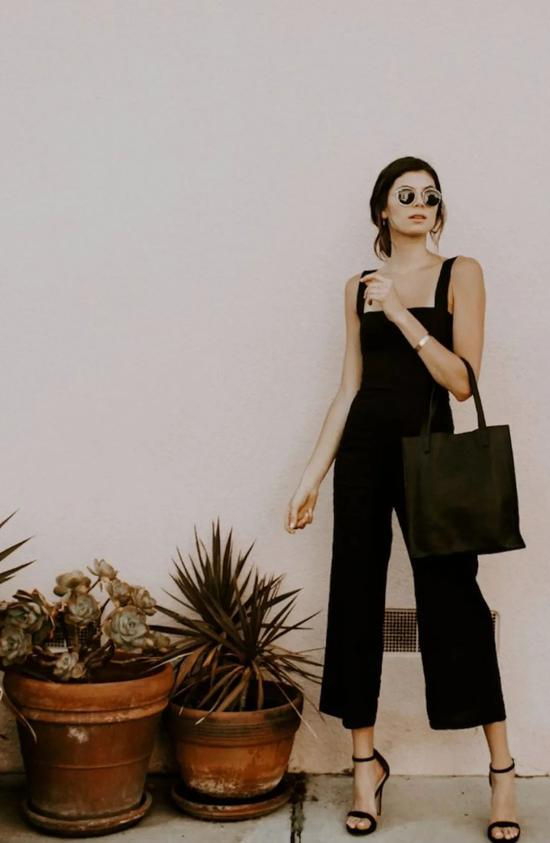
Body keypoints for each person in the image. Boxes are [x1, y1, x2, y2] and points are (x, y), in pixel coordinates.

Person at [285, 156, 521, 840]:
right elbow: (350, 387)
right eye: (406, 194)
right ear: (382, 211)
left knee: (455, 602)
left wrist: (401, 315)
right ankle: (366, 767)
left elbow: (462, 382)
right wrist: (312, 474)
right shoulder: (357, 286)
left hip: (430, 453)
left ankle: (502, 771)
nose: (421, 202)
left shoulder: (461, 273)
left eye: (431, 195)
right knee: (355, 597)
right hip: (364, 454)